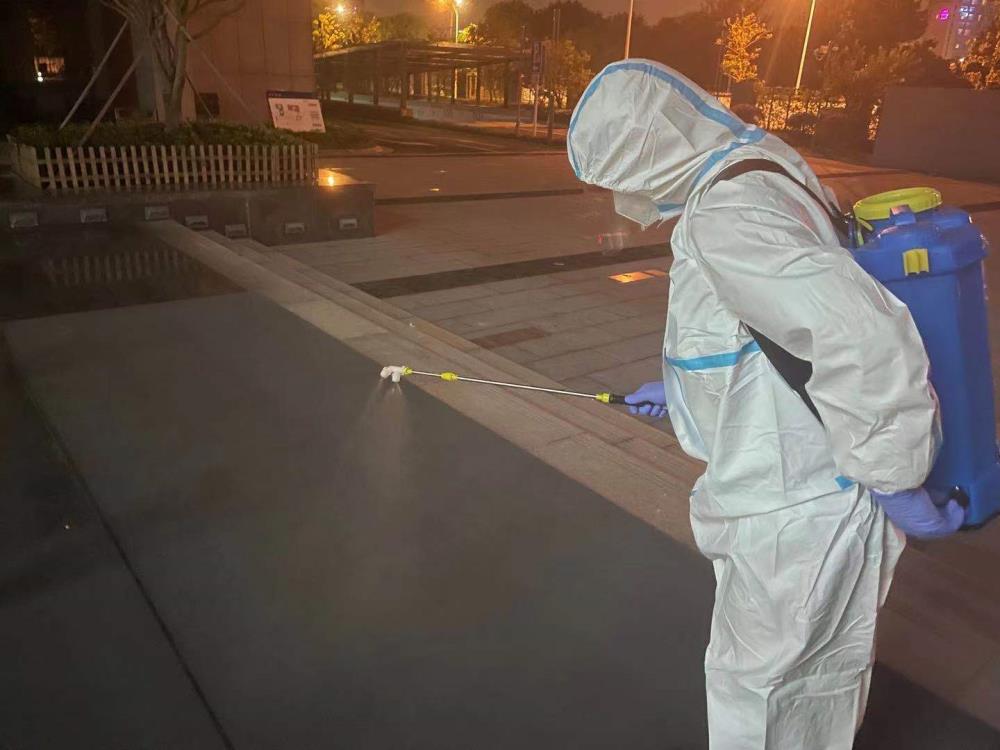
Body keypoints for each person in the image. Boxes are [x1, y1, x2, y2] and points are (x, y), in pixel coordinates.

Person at [567, 59, 965, 749]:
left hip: (795, 504)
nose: (622, 197)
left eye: (618, 177)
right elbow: (764, 331)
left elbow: (858, 337)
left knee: (763, 690)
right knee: (809, 679)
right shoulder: (758, 170)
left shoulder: (728, 214)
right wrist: (687, 397)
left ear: (646, 155)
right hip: (797, 488)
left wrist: (897, 477)